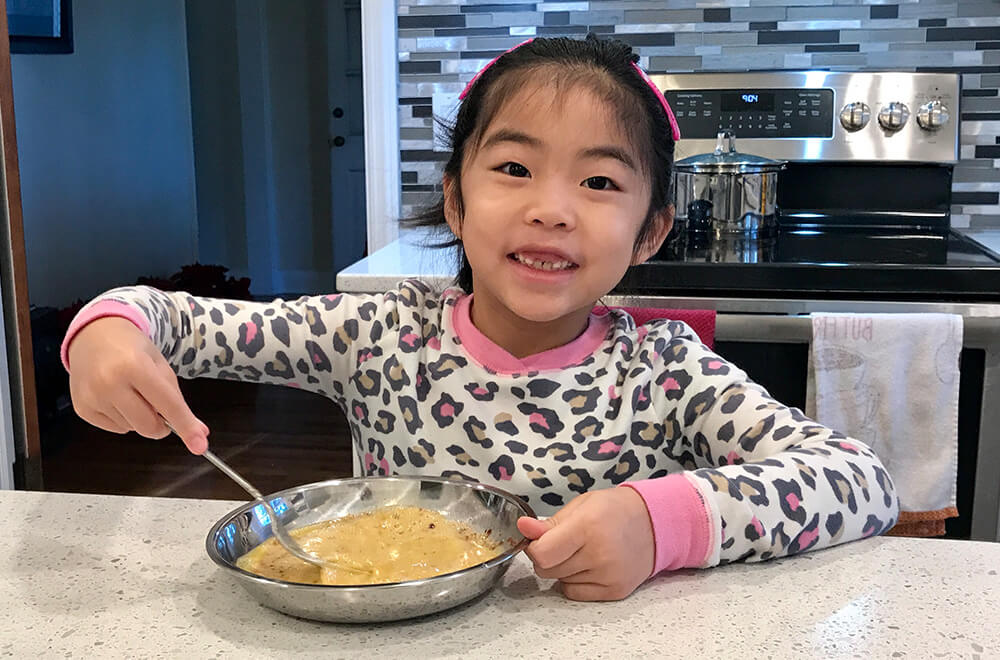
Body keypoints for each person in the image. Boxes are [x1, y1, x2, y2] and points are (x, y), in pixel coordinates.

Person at [61, 35, 899, 602]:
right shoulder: (378, 335)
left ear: (649, 233)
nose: (551, 209)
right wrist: (108, 332)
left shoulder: (664, 369)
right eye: (513, 167)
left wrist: (660, 523)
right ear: (457, 201)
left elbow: (861, 482)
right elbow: (173, 320)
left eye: (599, 182)